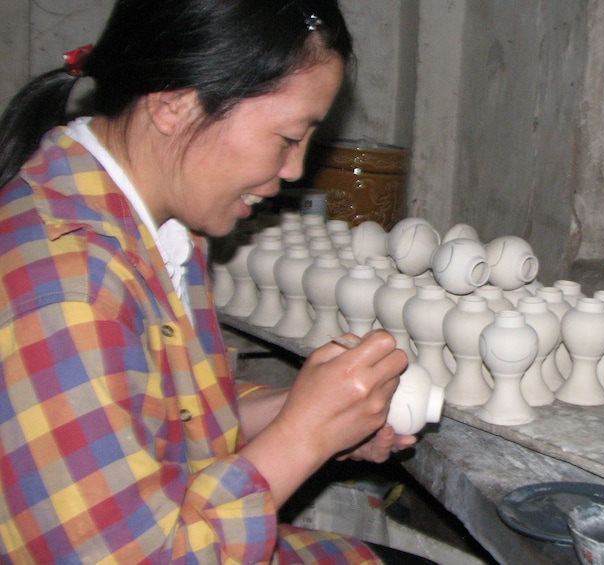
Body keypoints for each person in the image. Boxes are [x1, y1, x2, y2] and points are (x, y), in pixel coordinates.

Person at [0, 1, 426, 563]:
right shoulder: (66, 291)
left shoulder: (163, 227)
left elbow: (172, 427)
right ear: (175, 105)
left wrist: (308, 410)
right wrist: (301, 437)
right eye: (287, 138)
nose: (295, 170)